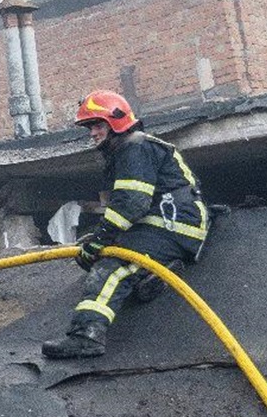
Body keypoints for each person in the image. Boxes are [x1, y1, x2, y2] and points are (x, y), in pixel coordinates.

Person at [42, 90, 208, 359]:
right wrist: (99, 239)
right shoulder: (125, 152)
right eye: (90, 127)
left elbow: (132, 204)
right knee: (100, 255)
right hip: (163, 226)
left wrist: (103, 239)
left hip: (170, 225)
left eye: (97, 125)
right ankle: (152, 273)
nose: (92, 133)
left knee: (110, 269)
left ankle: (86, 337)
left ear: (116, 121)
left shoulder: (135, 146)